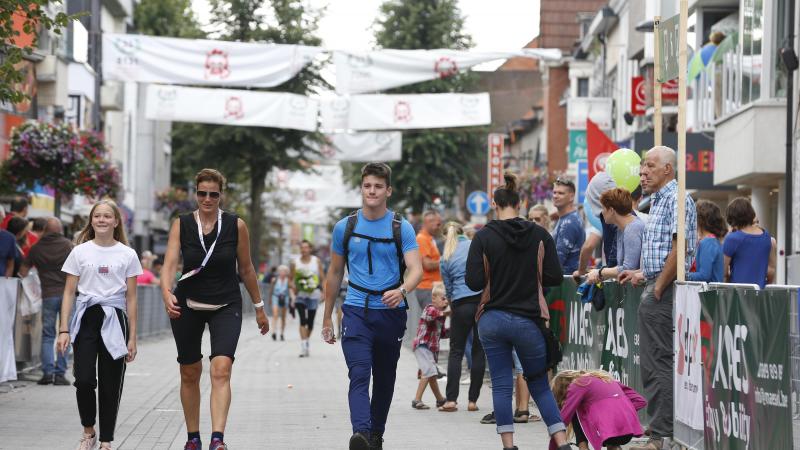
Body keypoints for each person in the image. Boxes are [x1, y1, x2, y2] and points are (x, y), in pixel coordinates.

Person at [160, 168, 269, 450]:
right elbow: (169, 263)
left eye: (213, 194)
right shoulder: (182, 224)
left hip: (226, 304)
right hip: (187, 304)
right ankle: (193, 438)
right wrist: (166, 291)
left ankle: (217, 439)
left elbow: (247, 269)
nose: (207, 199)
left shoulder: (236, 225)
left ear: (221, 195)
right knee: (189, 371)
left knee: (221, 369)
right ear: (195, 193)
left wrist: (259, 307)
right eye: (202, 193)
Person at [320, 162, 423, 450]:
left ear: (388, 190)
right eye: (367, 186)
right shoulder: (345, 227)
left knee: (385, 378)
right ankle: (361, 434)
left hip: (390, 313)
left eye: (378, 186)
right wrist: (327, 318)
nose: (372, 191)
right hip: (355, 310)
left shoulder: (401, 227)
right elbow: (334, 273)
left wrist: (401, 291)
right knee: (359, 372)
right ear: (361, 189)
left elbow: (416, 269)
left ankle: (376, 435)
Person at [465, 172, 570, 450]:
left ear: (494, 205)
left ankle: (509, 446)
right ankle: (562, 442)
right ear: (520, 203)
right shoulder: (540, 234)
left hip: (492, 319)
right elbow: (555, 276)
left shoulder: (483, 237)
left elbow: (473, 281)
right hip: (529, 320)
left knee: (501, 384)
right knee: (539, 384)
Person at [621, 146, 697, 450]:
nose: (643, 172)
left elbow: (679, 249)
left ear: (668, 169)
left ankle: (661, 435)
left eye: (650, 166)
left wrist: (658, 287)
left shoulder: (677, 199)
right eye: (642, 167)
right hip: (656, 284)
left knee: (658, 362)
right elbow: (662, 251)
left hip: (663, 290)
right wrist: (644, 274)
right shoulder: (658, 201)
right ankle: (658, 428)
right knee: (653, 363)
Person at [55, 200, 142, 450]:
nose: (102, 220)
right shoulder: (79, 252)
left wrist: (132, 337)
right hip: (86, 317)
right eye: (97, 216)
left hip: (115, 318)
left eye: (107, 216)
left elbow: (132, 298)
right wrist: (64, 329)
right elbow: (69, 292)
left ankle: (106, 440)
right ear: (91, 221)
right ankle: (89, 431)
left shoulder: (128, 254)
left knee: (110, 383)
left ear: (116, 221)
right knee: (83, 379)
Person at [19, 217, 74, 386]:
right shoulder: (68, 246)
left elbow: (23, 270)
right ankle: (60, 374)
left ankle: (47, 373)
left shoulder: (37, 248)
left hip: (48, 295)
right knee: (65, 332)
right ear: (60, 230)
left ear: (45, 230)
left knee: (48, 335)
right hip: (67, 295)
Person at [438, 221, 484, 413]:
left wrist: (452, 302)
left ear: (445, 236)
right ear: (462, 232)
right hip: (481, 302)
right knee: (479, 350)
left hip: (460, 303)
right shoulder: (475, 245)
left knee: (456, 352)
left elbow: (448, 287)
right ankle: (473, 401)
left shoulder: (445, 256)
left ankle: (451, 400)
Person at [549, 370, 647, 450]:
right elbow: (640, 401)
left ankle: (583, 447)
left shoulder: (578, 384)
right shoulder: (606, 378)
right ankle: (613, 447)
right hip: (627, 432)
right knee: (612, 440)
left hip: (609, 433)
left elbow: (563, 421)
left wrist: (553, 447)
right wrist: (622, 414)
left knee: (575, 410)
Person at [585, 188, 645, 283]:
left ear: (611, 210)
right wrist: (600, 273)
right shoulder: (622, 228)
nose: (602, 212)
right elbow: (622, 266)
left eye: (603, 208)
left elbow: (628, 269)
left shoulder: (633, 228)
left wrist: (600, 272)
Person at [411, 281, 449, 410]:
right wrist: (448, 312)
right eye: (443, 299)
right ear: (434, 298)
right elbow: (430, 317)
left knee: (432, 374)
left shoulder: (441, 315)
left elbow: (442, 333)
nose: (446, 302)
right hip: (423, 346)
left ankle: (440, 399)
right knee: (428, 371)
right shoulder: (430, 308)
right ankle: (417, 400)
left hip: (431, 349)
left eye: (447, 299)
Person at [722, 197, 772, 288]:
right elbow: (770, 270)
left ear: (733, 219)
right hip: (760, 292)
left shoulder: (732, 238)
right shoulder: (766, 237)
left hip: (738, 292)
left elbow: (723, 271)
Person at [290, 239, 324, 357]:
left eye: (306, 247)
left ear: (310, 249)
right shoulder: (295, 262)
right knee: (302, 320)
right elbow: (291, 279)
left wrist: (324, 292)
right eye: (302, 247)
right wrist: (294, 286)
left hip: (314, 295)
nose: (303, 249)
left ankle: (306, 340)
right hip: (300, 295)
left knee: (310, 322)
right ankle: (304, 345)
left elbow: (322, 278)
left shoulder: (316, 261)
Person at [687, 200, 726, 282]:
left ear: (700, 220)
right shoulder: (712, 241)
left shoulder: (707, 243)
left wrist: (682, 275)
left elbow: (704, 276)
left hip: (709, 289)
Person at [552, 178, 584, 274]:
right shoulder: (566, 218)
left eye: (560, 193)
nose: (555, 196)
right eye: (554, 192)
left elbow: (557, 261)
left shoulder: (569, 222)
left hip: (566, 279)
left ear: (571, 197)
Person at [415, 210, 443, 309]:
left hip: (431, 288)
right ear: (429, 222)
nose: (439, 227)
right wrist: (445, 261)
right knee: (433, 318)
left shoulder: (429, 238)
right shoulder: (422, 239)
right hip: (428, 289)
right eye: (438, 224)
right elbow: (427, 264)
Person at [268, 265, 290, 341]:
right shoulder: (275, 280)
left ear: (286, 272)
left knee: (283, 316)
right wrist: (270, 299)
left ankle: (282, 333)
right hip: (276, 297)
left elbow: (291, 289)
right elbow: (271, 289)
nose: (282, 273)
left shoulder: (288, 280)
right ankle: (274, 332)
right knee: (275, 315)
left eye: (284, 271)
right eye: (281, 271)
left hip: (285, 298)